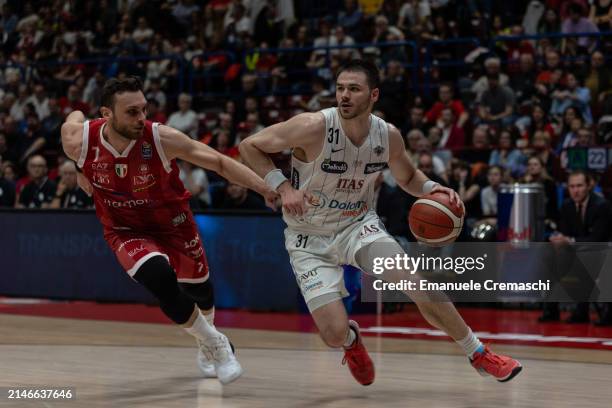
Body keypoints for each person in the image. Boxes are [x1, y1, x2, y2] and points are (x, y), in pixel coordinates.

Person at [239, 60, 522, 386]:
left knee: (416, 282)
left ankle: (478, 353)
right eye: (340, 88)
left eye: (353, 89)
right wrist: (283, 186)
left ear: (373, 95)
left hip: (358, 226)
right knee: (332, 333)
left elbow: (408, 176)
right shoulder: (312, 126)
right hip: (308, 237)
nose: (344, 95)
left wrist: (432, 188)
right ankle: (350, 341)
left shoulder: (387, 136)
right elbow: (250, 146)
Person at [60, 77, 277, 384]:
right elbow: (72, 120)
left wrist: (265, 188)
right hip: (124, 228)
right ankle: (216, 344)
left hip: (172, 222)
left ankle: (206, 342)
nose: (142, 118)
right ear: (106, 114)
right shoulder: (79, 142)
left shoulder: (161, 138)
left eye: (144, 110)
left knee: (199, 289)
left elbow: (218, 162)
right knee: (159, 278)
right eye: (132, 112)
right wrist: (82, 167)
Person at [541, 170, 612, 324]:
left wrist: (569, 240)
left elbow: (597, 239)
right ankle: (550, 311)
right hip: (576, 252)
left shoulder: (602, 206)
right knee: (549, 257)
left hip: (601, 252)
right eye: (572, 186)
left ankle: (582, 312)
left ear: (589, 186)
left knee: (585, 260)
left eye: (579, 186)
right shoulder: (567, 206)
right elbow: (565, 233)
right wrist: (558, 240)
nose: (575, 190)